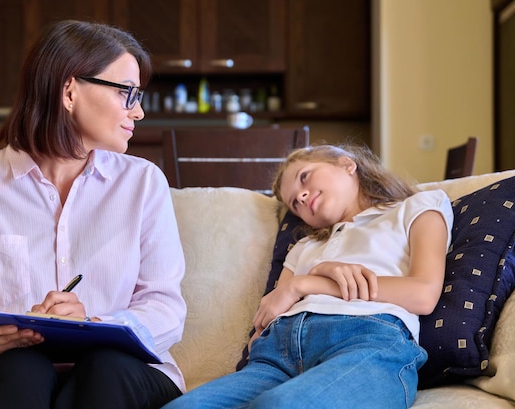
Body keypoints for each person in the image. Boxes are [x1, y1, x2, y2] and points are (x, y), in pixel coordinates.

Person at [0, 20, 186, 409]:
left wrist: (94, 329)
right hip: (16, 371)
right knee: (22, 367)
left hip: (123, 371)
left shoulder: (144, 183)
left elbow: (165, 305)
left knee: (104, 365)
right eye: (127, 93)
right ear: (69, 91)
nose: (139, 112)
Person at [162, 144, 453, 409]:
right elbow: (269, 314)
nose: (301, 198)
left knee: (278, 406)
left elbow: (423, 294)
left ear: (347, 164)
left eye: (304, 177)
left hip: (365, 341)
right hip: (276, 356)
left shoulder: (415, 208)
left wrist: (309, 282)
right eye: (294, 205)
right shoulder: (305, 246)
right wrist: (264, 331)